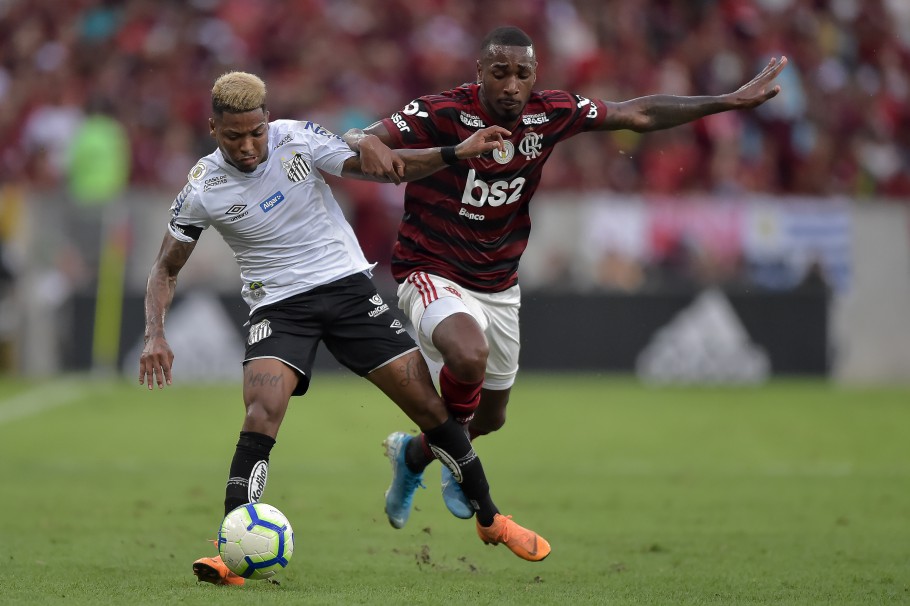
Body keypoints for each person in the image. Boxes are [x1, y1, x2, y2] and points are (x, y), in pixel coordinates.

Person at [344, 25, 788, 526]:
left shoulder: (551, 112)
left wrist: (726, 102)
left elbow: (636, 112)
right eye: (500, 73)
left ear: (535, 76)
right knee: (468, 354)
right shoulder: (443, 111)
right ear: (480, 74)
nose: (512, 84)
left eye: (523, 74)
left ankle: (414, 456)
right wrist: (364, 140)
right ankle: (459, 464)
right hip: (430, 269)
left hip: (499, 284)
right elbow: (359, 138)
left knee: (490, 418)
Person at [138, 71, 552, 587]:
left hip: (348, 292)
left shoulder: (299, 139)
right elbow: (165, 267)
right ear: (212, 129)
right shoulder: (203, 187)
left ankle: (491, 520)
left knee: (429, 408)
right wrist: (155, 332)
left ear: (267, 122)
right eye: (233, 136)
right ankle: (230, 547)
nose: (248, 146)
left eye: (256, 132)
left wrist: (454, 153)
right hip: (279, 309)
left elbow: (386, 167)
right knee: (261, 411)